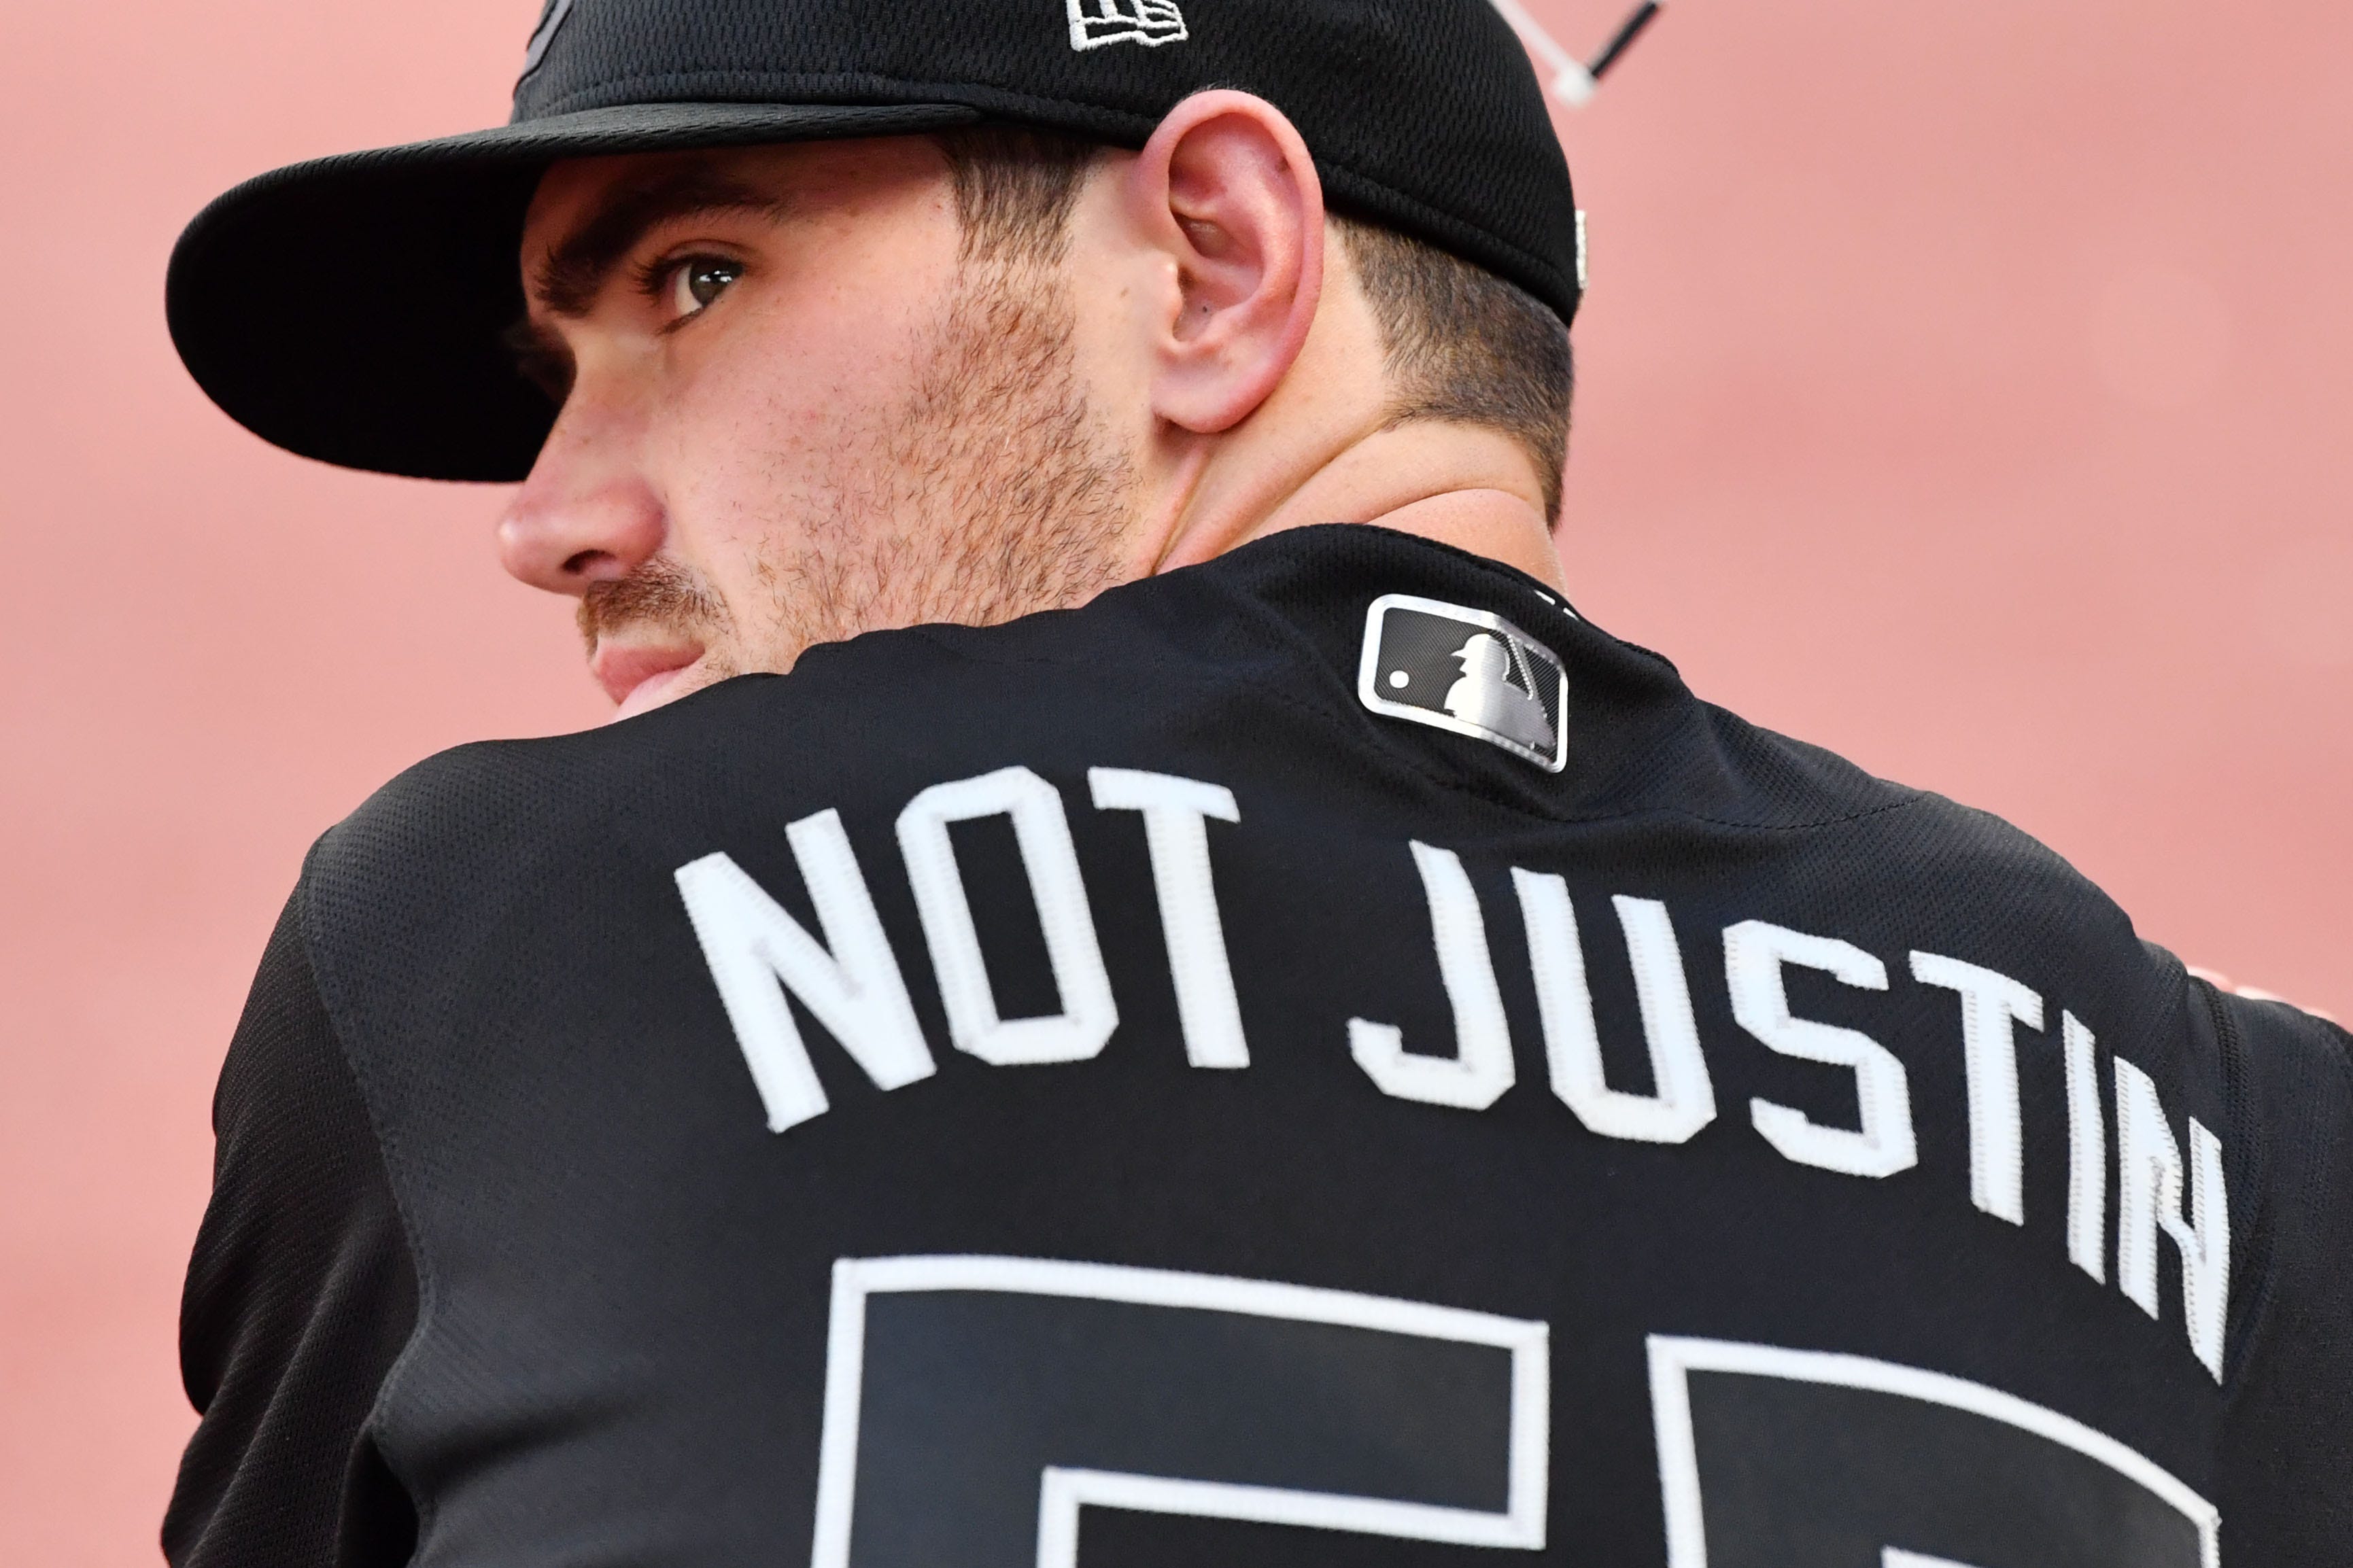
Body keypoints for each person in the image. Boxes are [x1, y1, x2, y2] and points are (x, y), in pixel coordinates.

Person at [160, 0, 2353, 1563]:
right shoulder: (2258, 1155)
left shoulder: (506, 949)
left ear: (1212, 262)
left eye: (696, 277)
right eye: (563, 370)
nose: (550, 513)